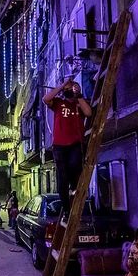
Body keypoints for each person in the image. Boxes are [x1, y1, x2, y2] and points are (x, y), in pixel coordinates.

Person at [42, 78, 92, 218]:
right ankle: (66, 209)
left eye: (72, 88)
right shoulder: (58, 103)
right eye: (67, 89)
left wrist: (79, 95)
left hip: (76, 143)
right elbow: (46, 98)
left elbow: (88, 113)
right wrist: (62, 85)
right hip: (59, 145)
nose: (70, 90)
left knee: (75, 165)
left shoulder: (79, 103)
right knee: (62, 178)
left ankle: (74, 188)